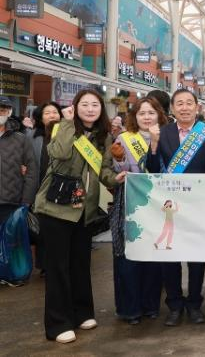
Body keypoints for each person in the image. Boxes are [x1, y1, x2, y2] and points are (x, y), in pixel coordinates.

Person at [33, 90, 118, 343]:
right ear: (75, 107)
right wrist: (68, 123)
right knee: (58, 266)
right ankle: (58, 323)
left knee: (80, 264)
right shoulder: (62, 127)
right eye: (85, 104)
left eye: (95, 105)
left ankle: (82, 313)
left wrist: (117, 179)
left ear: (101, 109)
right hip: (56, 206)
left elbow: (103, 169)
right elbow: (58, 153)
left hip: (84, 208)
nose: (90, 109)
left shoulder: (104, 136)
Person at [146, 88, 205, 327]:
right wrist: (154, 144)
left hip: (197, 204)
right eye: (179, 103)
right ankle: (175, 305)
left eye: (189, 103)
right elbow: (152, 169)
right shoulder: (163, 132)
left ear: (197, 107)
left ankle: (194, 304)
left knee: (196, 257)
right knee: (169, 256)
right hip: (169, 205)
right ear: (172, 108)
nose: (185, 107)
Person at [109, 97, 167, 326]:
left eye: (151, 113)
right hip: (131, 204)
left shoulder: (167, 137)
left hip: (158, 205)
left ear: (159, 115)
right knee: (129, 256)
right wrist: (120, 159)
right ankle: (129, 308)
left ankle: (151, 305)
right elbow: (118, 169)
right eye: (142, 113)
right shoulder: (124, 138)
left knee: (154, 254)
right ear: (134, 116)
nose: (146, 117)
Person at [0, 95, 38, 285]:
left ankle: (13, 275)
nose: (0, 113)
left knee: (13, 242)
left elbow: (32, 170)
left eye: (3, 110)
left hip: (12, 200)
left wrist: (26, 200)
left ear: (9, 112)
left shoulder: (21, 139)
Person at [26, 101, 62, 274]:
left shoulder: (66, 134)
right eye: (47, 113)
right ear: (40, 118)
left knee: (59, 229)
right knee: (42, 228)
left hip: (61, 189)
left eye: (55, 112)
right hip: (40, 189)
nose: (52, 115)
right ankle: (44, 265)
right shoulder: (32, 136)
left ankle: (58, 263)